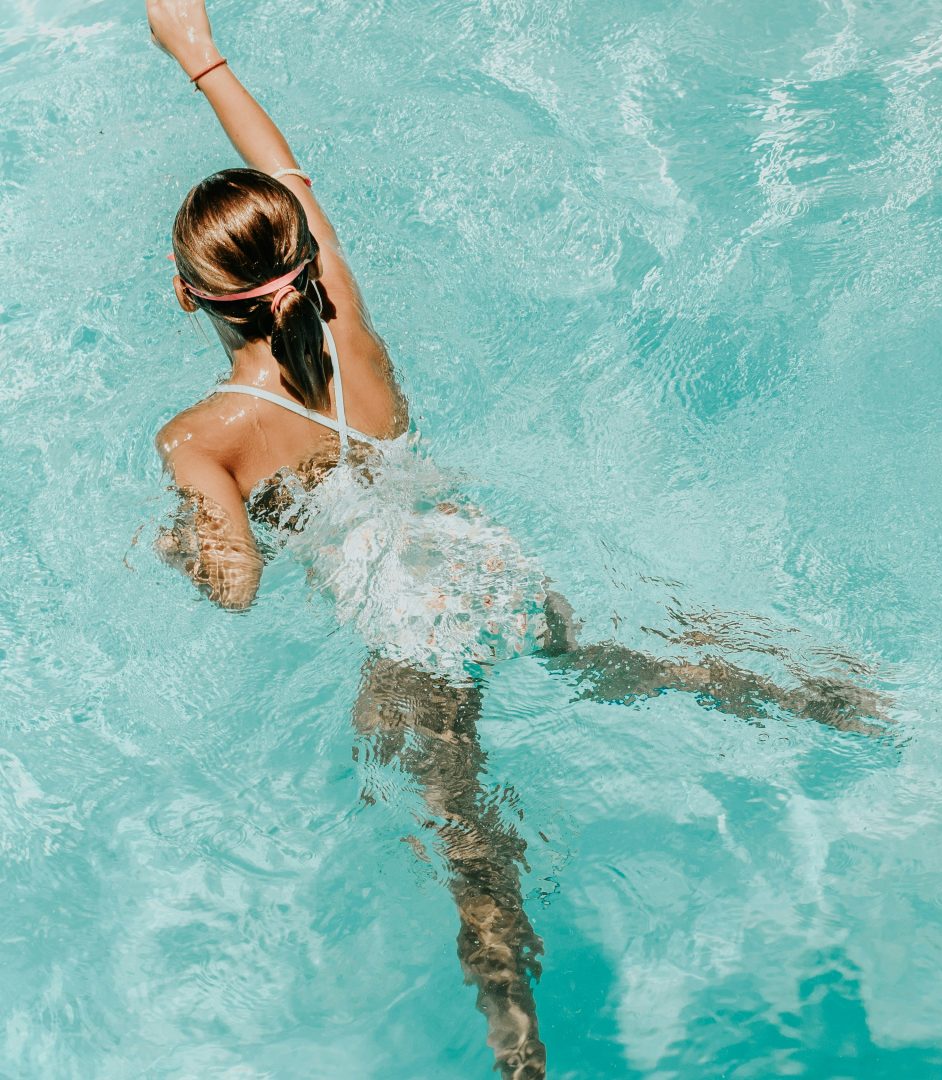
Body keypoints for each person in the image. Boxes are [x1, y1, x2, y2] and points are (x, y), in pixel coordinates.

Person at [143, 3, 889, 1076]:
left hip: (406, 623)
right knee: (607, 658)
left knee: (467, 841)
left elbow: (238, 586)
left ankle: (519, 1039)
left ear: (185, 296)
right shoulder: (341, 310)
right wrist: (202, 57)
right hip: (480, 552)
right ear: (305, 264)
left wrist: (180, 545)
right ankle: (828, 697)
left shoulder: (199, 437)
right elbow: (287, 177)